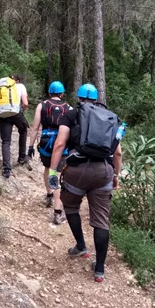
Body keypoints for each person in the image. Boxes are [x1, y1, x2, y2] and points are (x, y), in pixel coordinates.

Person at [49, 83, 123, 283]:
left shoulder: (71, 115)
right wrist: (115, 174)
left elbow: (60, 144)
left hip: (76, 170)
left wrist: (53, 171)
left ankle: (81, 246)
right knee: (101, 220)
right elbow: (118, 152)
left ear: (79, 98)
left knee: (71, 206)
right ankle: (99, 269)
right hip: (104, 172)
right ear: (97, 98)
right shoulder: (113, 118)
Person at [27, 81, 70, 225]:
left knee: (47, 169)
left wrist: (30, 146)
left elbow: (34, 127)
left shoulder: (42, 105)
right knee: (56, 174)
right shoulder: (67, 108)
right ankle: (58, 212)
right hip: (61, 144)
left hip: (45, 144)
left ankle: (49, 194)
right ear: (62, 93)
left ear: (50, 92)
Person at [0, 74, 29, 179]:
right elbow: (25, 103)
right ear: (17, 81)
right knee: (23, 131)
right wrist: (21, 111)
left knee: (6, 141)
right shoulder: (21, 86)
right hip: (16, 114)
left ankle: (7, 169)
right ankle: (22, 157)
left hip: (3, 114)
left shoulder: (1, 87)